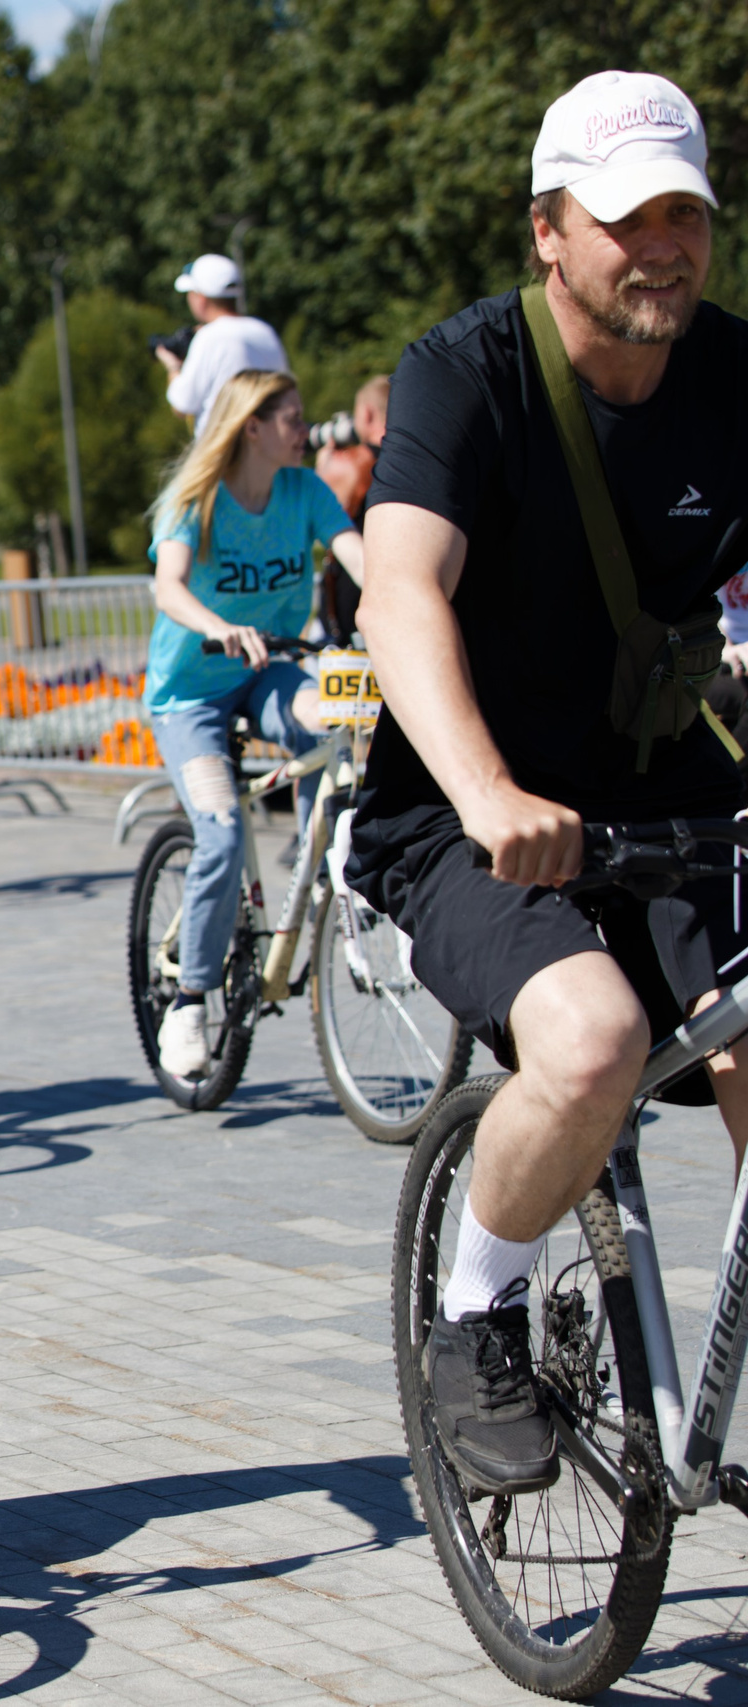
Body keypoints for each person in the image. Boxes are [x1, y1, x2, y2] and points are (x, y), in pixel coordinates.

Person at [347, 69, 748, 1497]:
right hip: (472, 810)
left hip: (667, 789)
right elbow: (400, 589)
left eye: (685, 214)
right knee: (586, 1043)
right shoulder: (469, 374)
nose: (663, 248)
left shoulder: (733, 375)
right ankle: (476, 1312)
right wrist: (482, 792)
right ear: (549, 232)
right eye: (627, 217)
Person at [146, 368, 364, 1078]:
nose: (306, 430)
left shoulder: (305, 491)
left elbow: (363, 560)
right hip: (190, 693)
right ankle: (189, 1000)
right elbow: (168, 586)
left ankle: (321, 865)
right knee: (221, 830)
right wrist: (219, 626)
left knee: (334, 722)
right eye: (293, 419)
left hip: (267, 671)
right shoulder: (197, 499)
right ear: (253, 428)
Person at [157, 255, 292, 435]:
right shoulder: (265, 331)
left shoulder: (209, 336)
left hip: (224, 447)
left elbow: (182, 405)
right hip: (267, 444)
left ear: (200, 298)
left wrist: (173, 366)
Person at [314, 375, 392, 641]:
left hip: (351, 606)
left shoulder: (350, 463)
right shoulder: (414, 461)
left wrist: (324, 465)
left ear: (367, 414)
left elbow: (318, 517)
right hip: (395, 591)